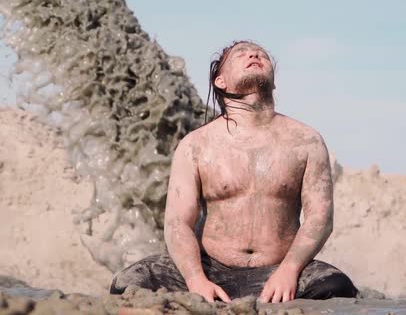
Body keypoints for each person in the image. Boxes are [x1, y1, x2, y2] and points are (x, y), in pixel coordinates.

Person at [110, 41, 358, 303]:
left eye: (261, 54)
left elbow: (320, 219)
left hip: (277, 270)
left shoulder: (306, 141)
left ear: (273, 81)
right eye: (241, 54)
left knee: (336, 286)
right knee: (128, 284)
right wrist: (196, 280)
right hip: (211, 270)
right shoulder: (195, 145)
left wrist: (290, 270)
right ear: (220, 81)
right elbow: (177, 223)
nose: (254, 54)